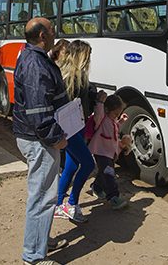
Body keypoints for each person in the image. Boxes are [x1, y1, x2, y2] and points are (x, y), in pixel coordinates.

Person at [12, 17, 68, 265]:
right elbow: (38, 112)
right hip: (39, 140)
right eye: (52, 30)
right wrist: (55, 138)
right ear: (43, 36)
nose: (56, 33)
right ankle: (34, 256)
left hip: (34, 137)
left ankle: (40, 238)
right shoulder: (35, 63)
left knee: (43, 192)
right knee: (43, 196)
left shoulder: (32, 56)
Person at [52, 40, 98, 223]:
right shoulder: (74, 79)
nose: (89, 61)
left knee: (71, 166)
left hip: (74, 128)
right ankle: (72, 203)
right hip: (71, 129)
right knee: (87, 164)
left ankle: (58, 203)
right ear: (81, 57)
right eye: (87, 56)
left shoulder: (68, 75)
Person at [88, 93, 132, 209]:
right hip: (101, 152)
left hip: (110, 153)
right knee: (109, 174)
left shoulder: (112, 121)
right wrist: (100, 103)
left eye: (119, 114)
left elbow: (114, 129)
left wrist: (121, 121)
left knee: (104, 172)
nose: (117, 116)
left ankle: (96, 187)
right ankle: (113, 196)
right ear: (107, 110)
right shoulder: (101, 119)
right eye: (116, 114)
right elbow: (98, 114)